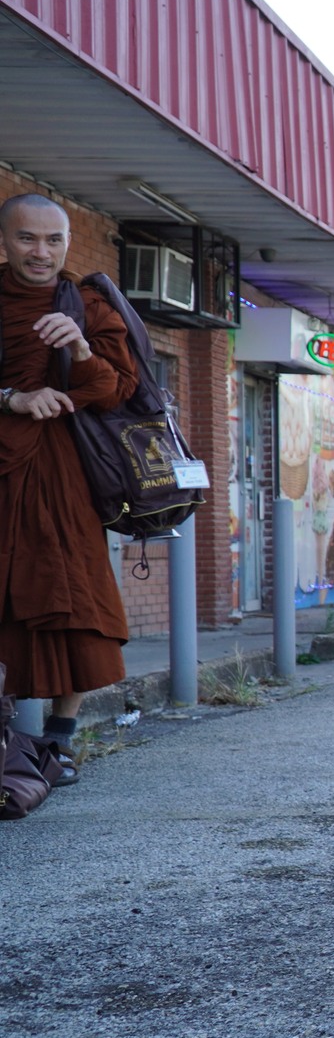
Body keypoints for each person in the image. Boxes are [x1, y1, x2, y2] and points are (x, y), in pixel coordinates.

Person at [0, 193, 136, 779]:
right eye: (28, 238)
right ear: (5, 241)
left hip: (67, 476)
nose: (41, 252)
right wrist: (12, 397)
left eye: (53, 240)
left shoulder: (88, 304)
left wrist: (79, 346)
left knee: (79, 600)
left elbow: (117, 390)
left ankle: (58, 742)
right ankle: (7, 743)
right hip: (4, 470)